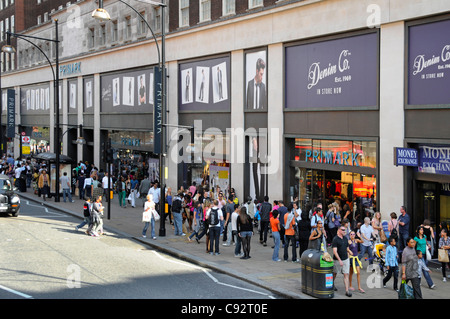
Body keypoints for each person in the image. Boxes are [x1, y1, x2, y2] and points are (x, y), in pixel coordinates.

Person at [332, 226, 352, 297]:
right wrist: (340, 260)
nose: (344, 231)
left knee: (346, 274)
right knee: (334, 273)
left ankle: (347, 290)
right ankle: (331, 284)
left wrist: (349, 252)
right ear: (339, 230)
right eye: (343, 230)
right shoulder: (335, 239)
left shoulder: (346, 238)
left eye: (345, 230)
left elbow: (347, 248)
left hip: (345, 259)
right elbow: (335, 251)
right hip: (337, 260)